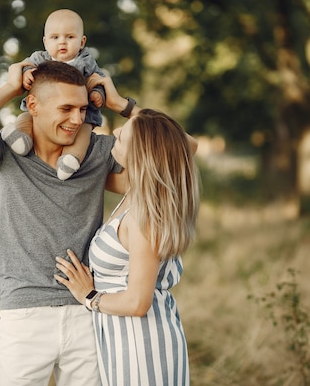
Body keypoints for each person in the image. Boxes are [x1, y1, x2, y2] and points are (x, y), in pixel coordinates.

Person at [0, 60, 131, 386]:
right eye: (66, 108)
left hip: (86, 311)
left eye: (83, 109)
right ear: (32, 105)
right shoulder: (4, 152)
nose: (77, 119)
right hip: (24, 315)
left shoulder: (96, 153)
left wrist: (122, 105)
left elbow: (181, 153)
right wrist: (10, 89)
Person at [54, 96, 200, 385]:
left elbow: (137, 303)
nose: (116, 132)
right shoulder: (136, 191)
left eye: (124, 136)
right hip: (125, 341)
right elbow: (184, 144)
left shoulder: (146, 218)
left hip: (143, 347)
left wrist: (90, 297)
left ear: (140, 155)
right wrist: (120, 105)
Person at [1, 8, 107, 180]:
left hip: (83, 112)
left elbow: (99, 79)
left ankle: (71, 159)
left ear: (82, 41)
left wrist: (97, 92)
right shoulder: (39, 58)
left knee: (83, 133)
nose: (62, 43)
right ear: (45, 42)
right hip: (42, 109)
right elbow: (25, 66)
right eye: (55, 37)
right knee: (27, 117)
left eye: (70, 37)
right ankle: (20, 137)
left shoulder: (86, 61)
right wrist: (26, 72)